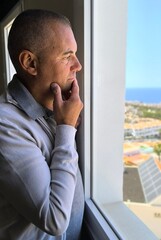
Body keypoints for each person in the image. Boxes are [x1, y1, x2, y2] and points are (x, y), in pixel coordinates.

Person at [0, 9, 84, 240]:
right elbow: (54, 220)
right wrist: (66, 130)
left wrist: (65, 126)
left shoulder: (54, 111)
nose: (77, 65)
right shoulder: (6, 125)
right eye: (67, 56)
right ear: (31, 63)